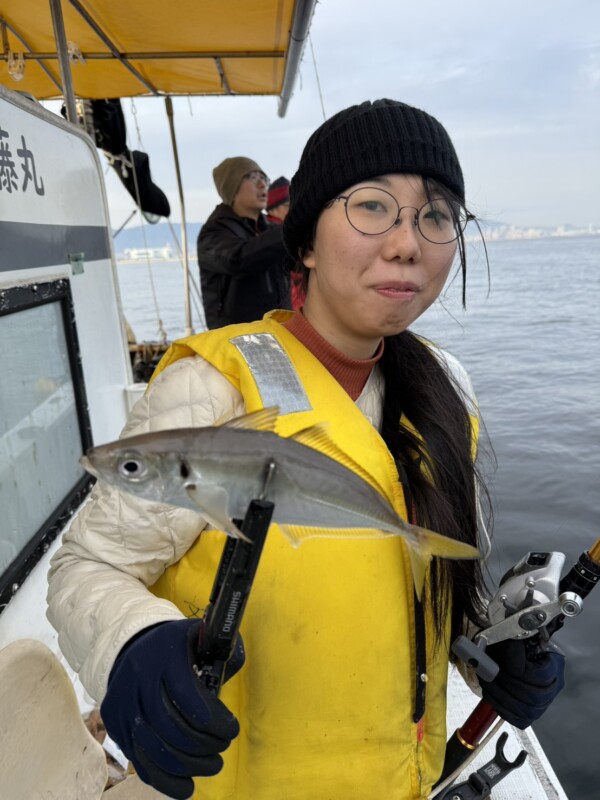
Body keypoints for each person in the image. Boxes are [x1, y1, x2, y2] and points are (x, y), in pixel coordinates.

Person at [47, 99, 565, 800]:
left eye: (437, 215)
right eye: (374, 207)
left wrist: (487, 643)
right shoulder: (209, 389)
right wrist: (132, 643)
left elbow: (431, 576)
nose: (408, 242)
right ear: (307, 242)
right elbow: (88, 565)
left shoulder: (447, 389)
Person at [197, 157, 290, 329]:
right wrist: (288, 229)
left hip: (278, 333)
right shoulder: (213, 233)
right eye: (252, 177)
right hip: (234, 341)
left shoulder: (270, 230)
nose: (262, 184)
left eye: (264, 178)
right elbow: (239, 258)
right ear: (232, 187)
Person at [265, 175, 304, 309]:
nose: (293, 208)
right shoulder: (269, 238)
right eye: (288, 204)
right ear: (272, 209)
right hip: (289, 312)